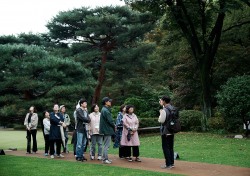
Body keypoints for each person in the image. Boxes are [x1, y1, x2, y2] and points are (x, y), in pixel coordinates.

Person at [158, 96, 175, 169]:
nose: (160, 101)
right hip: (172, 129)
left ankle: (168, 164)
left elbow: (161, 120)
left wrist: (160, 113)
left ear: (164, 101)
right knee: (170, 147)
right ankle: (172, 163)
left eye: (161, 100)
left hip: (165, 130)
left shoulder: (164, 110)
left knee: (165, 147)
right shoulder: (172, 108)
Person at [99, 97, 115, 164]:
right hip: (107, 130)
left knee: (106, 145)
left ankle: (105, 158)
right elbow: (110, 121)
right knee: (106, 145)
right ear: (106, 102)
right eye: (109, 101)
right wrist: (114, 126)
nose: (110, 102)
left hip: (105, 129)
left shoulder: (104, 109)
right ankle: (105, 159)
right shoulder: (106, 110)